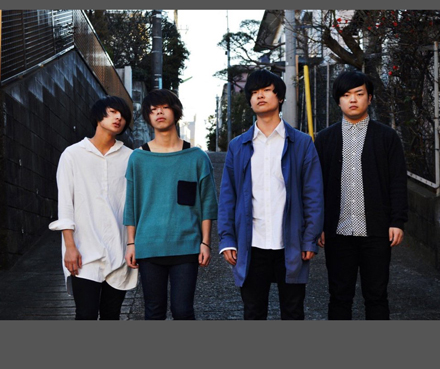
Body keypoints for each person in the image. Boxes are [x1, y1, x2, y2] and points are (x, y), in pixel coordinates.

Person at [217, 69, 324, 320]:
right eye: (254, 92)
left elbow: (313, 194)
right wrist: (227, 239)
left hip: (291, 242)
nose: (260, 96)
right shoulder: (238, 146)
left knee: (293, 312)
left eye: (266, 90)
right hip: (251, 243)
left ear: (280, 97)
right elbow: (228, 196)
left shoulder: (301, 143)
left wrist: (310, 238)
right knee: (253, 312)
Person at [314, 69, 408, 320]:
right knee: (339, 297)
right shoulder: (324, 139)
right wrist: (318, 225)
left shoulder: (387, 137)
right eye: (346, 95)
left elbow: (398, 181)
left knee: (377, 296)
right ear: (338, 100)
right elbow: (316, 186)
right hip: (338, 232)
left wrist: (397, 221)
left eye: (359, 93)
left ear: (370, 98)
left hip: (376, 232)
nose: (353, 99)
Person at [124, 89, 218, 320]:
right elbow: (131, 204)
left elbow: (207, 203)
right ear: (148, 117)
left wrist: (205, 242)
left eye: (164, 107)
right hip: (149, 244)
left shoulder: (197, 157)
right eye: (153, 110)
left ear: (176, 112)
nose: (159, 113)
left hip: (186, 245)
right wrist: (131, 243)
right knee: (153, 311)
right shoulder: (138, 158)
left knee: (183, 310)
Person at [49, 95, 138, 320]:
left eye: (123, 115)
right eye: (112, 112)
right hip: (83, 251)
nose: (118, 118)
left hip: (119, 250)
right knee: (85, 315)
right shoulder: (72, 155)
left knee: (111, 315)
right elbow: (65, 204)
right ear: (98, 116)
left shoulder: (131, 158)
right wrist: (70, 246)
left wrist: (132, 244)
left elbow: (134, 205)